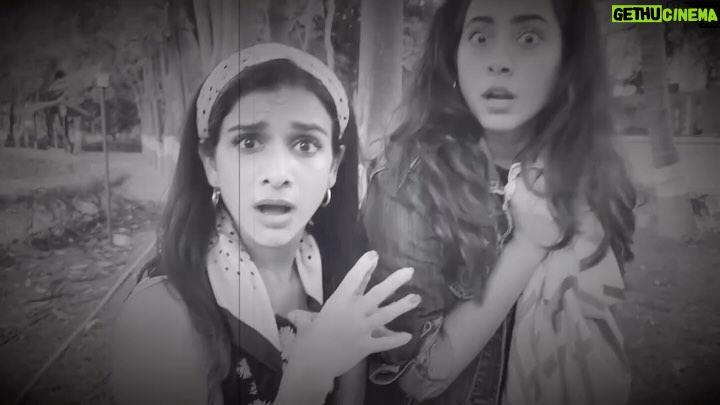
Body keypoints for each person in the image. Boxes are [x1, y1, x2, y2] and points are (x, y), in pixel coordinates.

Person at [111, 43, 422, 405]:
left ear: (334, 168)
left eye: (305, 145)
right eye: (249, 141)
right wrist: (311, 373)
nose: (277, 174)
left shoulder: (340, 280)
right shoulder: (159, 316)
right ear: (210, 163)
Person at [361, 0, 637, 404]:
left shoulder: (594, 176)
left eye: (529, 38)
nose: (499, 62)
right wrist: (526, 247)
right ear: (454, 52)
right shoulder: (408, 182)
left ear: (568, 57)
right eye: (480, 37)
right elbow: (416, 378)